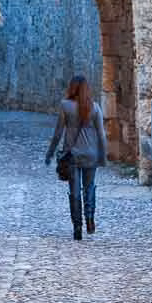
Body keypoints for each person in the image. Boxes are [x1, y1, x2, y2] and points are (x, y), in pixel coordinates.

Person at [45, 75, 107, 240]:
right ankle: (89, 219)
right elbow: (101, 135)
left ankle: (77, 227)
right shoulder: (95, 108)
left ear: (72, 88)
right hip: (91, 155)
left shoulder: (65, 106)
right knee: (90, 187)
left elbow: (58, 133)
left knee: (74, 191)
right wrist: (103, 156)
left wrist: (50, 152)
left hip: (72, 156)